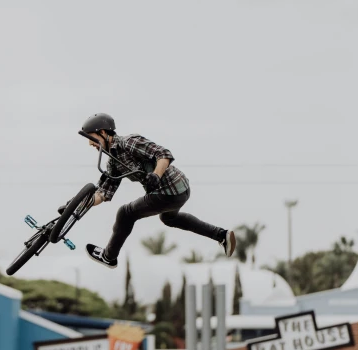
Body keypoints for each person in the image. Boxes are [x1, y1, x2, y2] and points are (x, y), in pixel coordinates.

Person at [66, 112, 236, 268]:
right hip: (180, 192)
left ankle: (108, 256)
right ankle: (222, 235)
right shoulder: (113, 161)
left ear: (103, 133)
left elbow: (164, 154)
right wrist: (77, 205)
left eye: (91, 137)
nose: (90, 143)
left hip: (168, 191)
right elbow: (103, 193)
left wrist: (156, 175)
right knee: (170, 218)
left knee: (125, 214)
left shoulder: (129, 142)